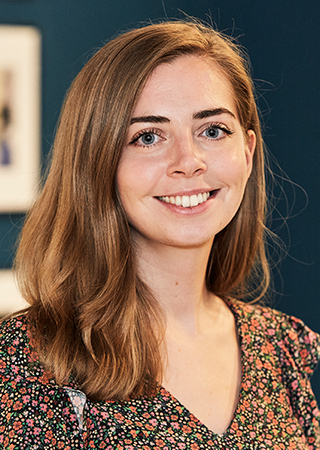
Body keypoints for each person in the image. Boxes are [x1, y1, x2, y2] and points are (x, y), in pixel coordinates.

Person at [0, 19, 319, 449]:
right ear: (98, 164)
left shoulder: (281, 347)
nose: (188, 161)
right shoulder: (27, 359)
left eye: (212, 130)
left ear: (247, 151)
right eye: (148, 136)